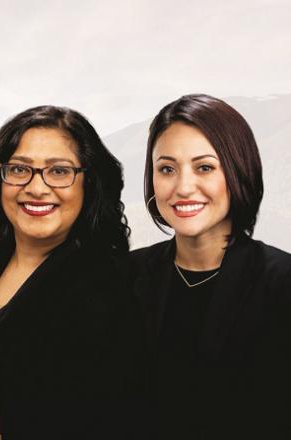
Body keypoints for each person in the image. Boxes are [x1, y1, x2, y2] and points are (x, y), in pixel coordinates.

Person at [0, 105, 146, 439]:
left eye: (59, 171)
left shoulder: (110, 289)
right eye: (19, 169)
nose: (36, 187)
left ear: (89, 183)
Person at [131, 94, 291, 439]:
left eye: (204, 167)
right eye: (167, 169)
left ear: (237, 170)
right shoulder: (126, 276)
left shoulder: (281, 283)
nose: (183, 187)